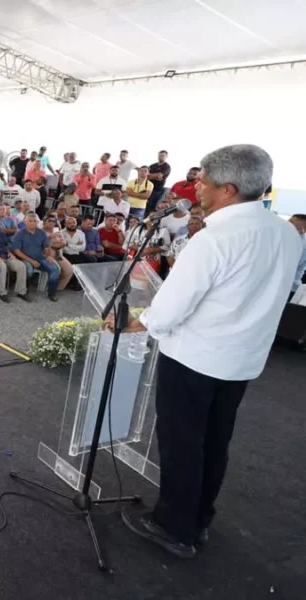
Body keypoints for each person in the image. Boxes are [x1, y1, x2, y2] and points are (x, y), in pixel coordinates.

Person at [116, 145, 302, 559]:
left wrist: (135, 324)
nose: (196, 186)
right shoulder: (287, 233)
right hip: (243, 360)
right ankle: (199, 519)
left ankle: (174, 527)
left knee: (182, 442)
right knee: (215, 442)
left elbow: (173, 305)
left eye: (204, 181)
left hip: (195, 358)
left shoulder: (214, 238)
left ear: (229, 189)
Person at [10, 212, 61, 302]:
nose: (32, 223)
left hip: (40, 258)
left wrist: (49, 256)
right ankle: (24, 292)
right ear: (25, 222)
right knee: (29, 270)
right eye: (30, 221)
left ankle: (52, 292)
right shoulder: (20, 233)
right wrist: (31, 261)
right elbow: (16, 251)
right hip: (25, 258)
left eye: (34, 221)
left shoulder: (41, 233)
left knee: (55, 269)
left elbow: (47, 247)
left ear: (38, 222)